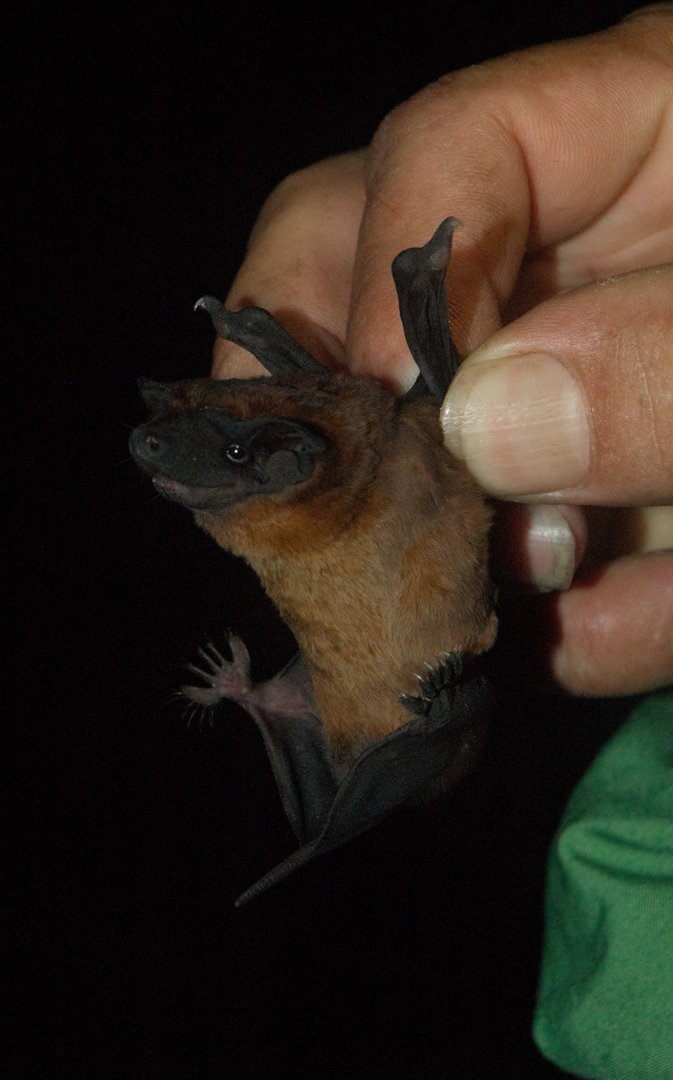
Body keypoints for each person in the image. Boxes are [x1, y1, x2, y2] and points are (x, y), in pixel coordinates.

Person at [212, 7, 673, 1076]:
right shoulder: (453, 724)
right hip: (435, 616)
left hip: (406, 496)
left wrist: (247, 696)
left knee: (395, 375)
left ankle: (408, 316)